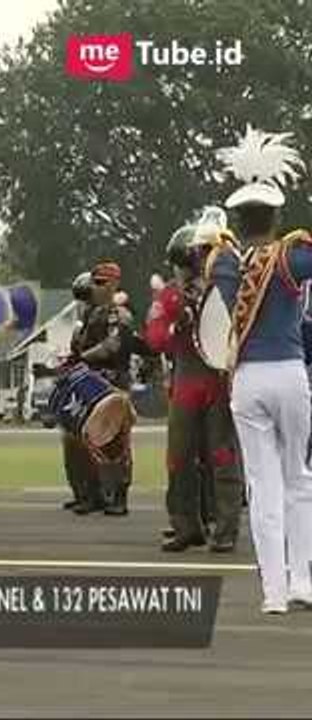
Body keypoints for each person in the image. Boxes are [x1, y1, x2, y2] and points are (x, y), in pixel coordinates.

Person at [210, 126, 312, 614]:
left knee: (263, 485)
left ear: (239, 217)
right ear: (275, 216)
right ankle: (303, 582)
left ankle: (273, 592)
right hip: (290, 372)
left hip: (247, 379)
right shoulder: (292, 254)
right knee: (299, 479)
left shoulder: (223, 264)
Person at [145, 223, 243, 553]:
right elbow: (155, 339)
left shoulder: (225, 289)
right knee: (178, 457)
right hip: (186, 379)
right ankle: (186, 526)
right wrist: (178, 322)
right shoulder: (169, 295)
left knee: (222, 454)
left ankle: (226, 529)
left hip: (217, 378)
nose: (189, 271)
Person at [69, 261, 136, 516]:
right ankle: (92, 494)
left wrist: (83, 357)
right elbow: (78, 345)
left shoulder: (120, 315)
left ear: (113, 284)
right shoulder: (88, 316)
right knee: (87, 441)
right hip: (92, 384)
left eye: (100, 283)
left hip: (114, 383)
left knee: (117, 442)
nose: (95, 288)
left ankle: (119, 495)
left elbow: (113, 345)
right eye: (94, 283)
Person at [62, 271, 102, 513]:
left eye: (86, 297)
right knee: (71, 443)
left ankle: (95, 494)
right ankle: (80, 492)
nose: (82, 303)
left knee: (90, 445)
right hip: (79, 387)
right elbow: (74, 357)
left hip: (97, 387)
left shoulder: (104, 320)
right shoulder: (79, 327)